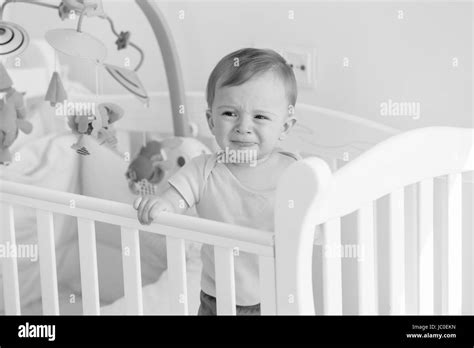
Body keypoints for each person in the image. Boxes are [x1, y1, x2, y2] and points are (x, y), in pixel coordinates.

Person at [134, 48, 300, 315]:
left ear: (285, 127)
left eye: (260, 117)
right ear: (211, 121)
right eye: (229, 114)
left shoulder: (294, 172)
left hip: (275, 298)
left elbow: (314, 215)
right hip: (215, 300)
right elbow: (173, 200)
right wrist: (160, 204)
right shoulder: (202, 170)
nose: (243, 126)